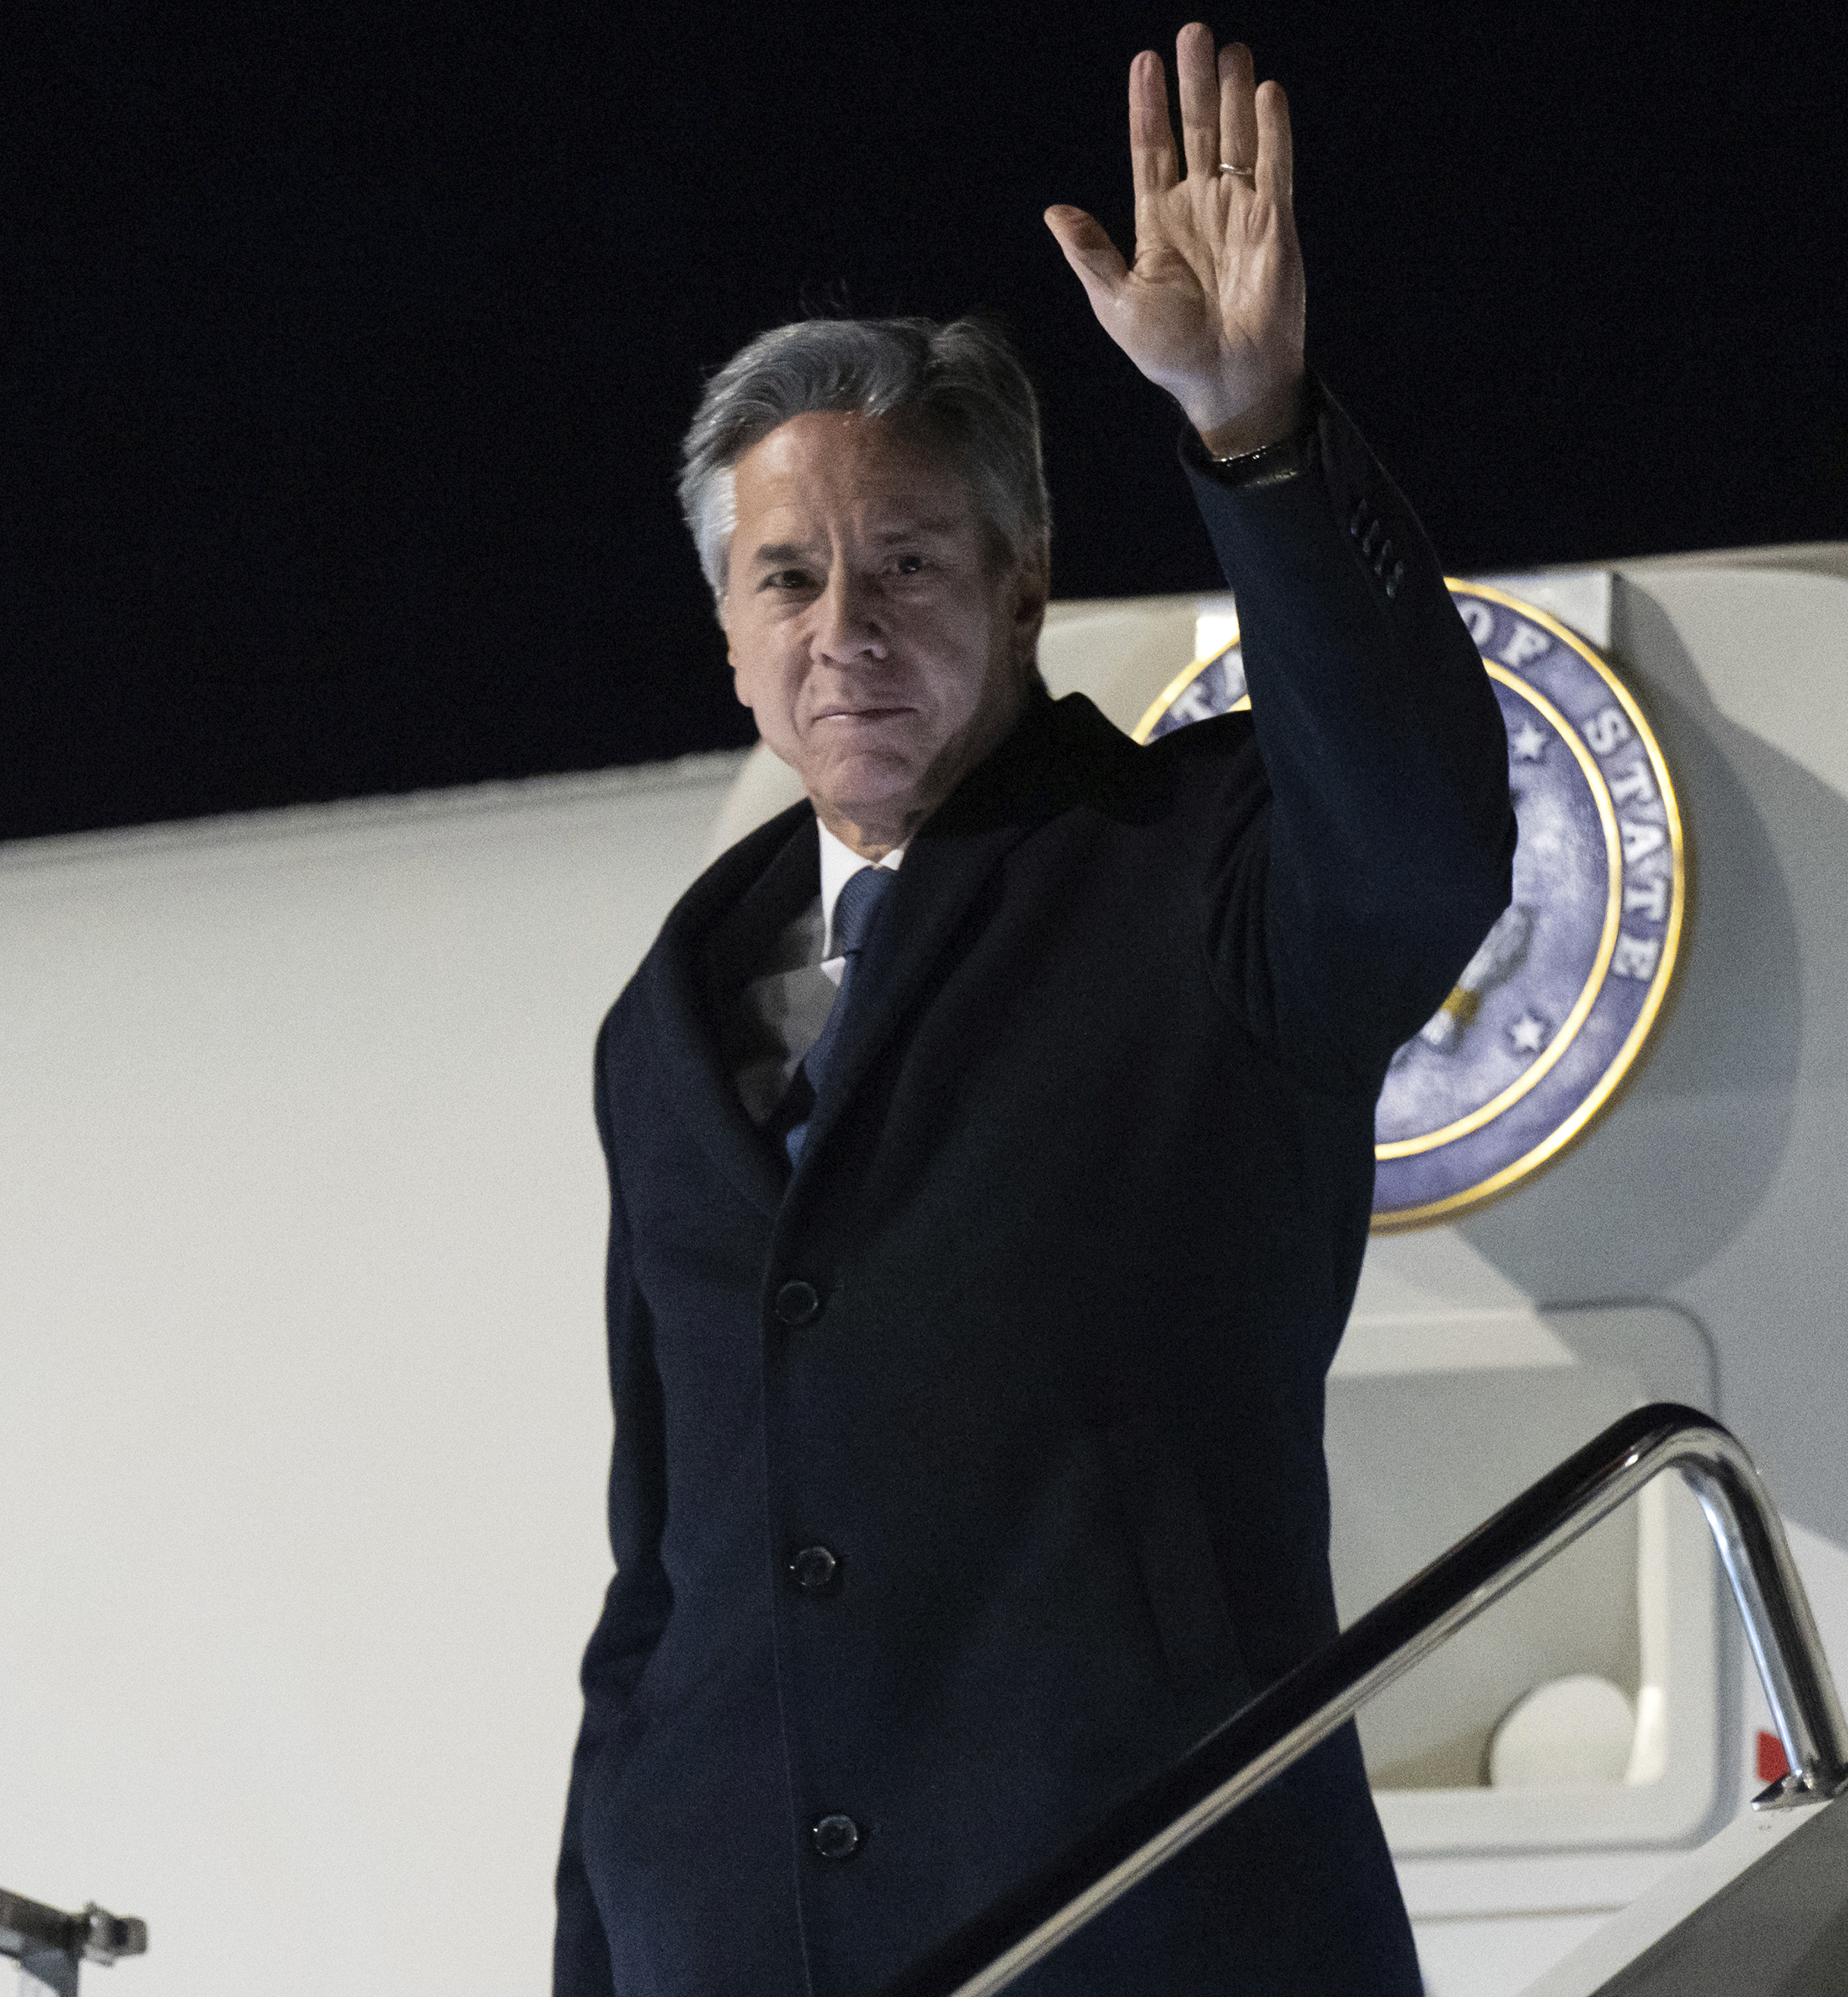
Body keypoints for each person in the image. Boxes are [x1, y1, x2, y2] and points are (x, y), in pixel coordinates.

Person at [557, 25, 1514, 1995]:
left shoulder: (1201, 871)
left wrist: (1256, 432)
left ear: (1023, 581)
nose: (847, 629)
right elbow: (663, 1577)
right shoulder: (663, 1021)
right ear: (730, 632)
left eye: (907, 563)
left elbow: (1416, 841)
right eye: (789, 577)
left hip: (1144, 1933)